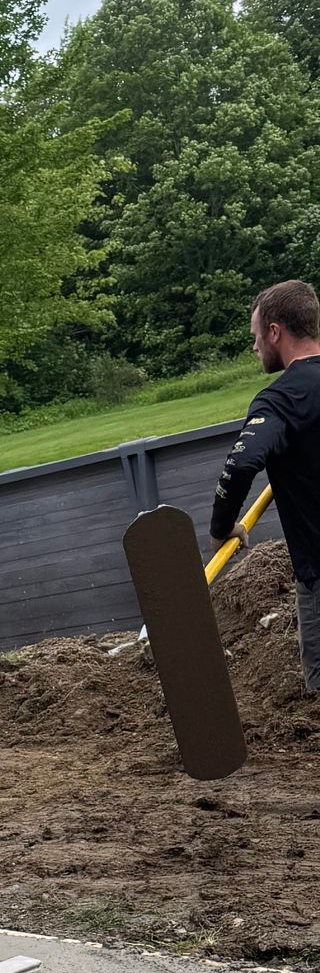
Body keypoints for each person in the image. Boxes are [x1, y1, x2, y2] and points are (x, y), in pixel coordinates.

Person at [210, 278, 320, 693]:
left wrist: (222, 527)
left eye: (256, 336)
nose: (255, 347)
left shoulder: (282, 400)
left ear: (275, 332)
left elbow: (239, 467)